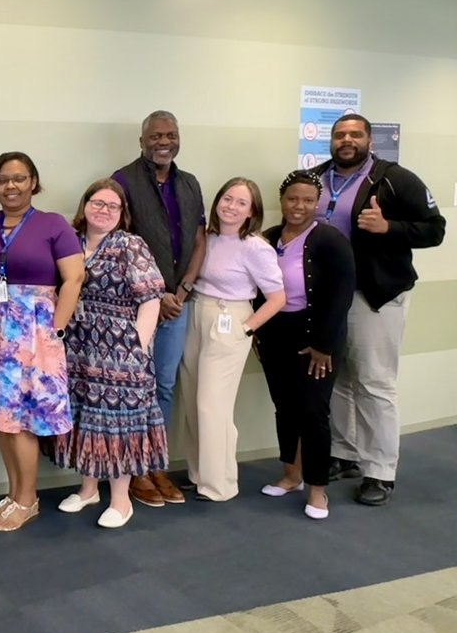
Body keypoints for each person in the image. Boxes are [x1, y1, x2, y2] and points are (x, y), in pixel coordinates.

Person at [311, 114, 446, 505]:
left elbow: (435, 229)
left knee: (374, 383)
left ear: (370, 140)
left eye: (355, 134)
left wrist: (390, 228)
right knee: (335, 378)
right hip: (328, 296)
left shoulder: (396, 178)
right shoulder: (318, 178)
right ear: (331, 141)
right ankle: (344, 453)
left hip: (375, 295)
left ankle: (379, 470)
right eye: (340, 135)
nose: (346, 140)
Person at [0, 152, 83, 531]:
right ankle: (14, 494)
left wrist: (56, 330)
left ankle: (28, 499)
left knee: (24, 419)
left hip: (33, 334)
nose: (10, 186)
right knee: (3, 415)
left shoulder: (53, 224)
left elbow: (74, 279)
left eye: (19, 178)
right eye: (3, 179)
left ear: (33, 182)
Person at [55, 180, 167, 529]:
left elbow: (151, 298)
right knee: (86, 416)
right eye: (97, 202)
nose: (103, 210)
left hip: (120, 349)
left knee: (117, 423)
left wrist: (138, 344)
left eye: (112, 206)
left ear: (122, 214)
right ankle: (89, 489)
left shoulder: (129, 245)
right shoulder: (70, 242)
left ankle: (121, 501)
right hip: (78, 345)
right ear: (84, 204)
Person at [112, 111, 206, 509]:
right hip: (137, 308)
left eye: (170, 134)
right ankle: (132, 471)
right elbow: (113, 242)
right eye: (155, 135)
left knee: (162, 388)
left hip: (178, 305)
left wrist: (181, 291)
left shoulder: (189, 183)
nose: (163, 141)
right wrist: (155, 294)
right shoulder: (121, 181)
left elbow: (201, 239)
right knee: (133, 389)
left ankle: (155, 466)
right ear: (142, 140)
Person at [255, 171, 355, 520]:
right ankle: (291, 475)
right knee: (285, 407)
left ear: (318, 203)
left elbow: (341, 297)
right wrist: (256, 334)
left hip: (316, 338)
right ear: (281, 201)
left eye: (308, 200)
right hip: (275, 334)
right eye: (292, 199)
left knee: (313, 412)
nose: (299, 206)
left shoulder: (330, 240)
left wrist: (323, 346)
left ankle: (317, 490)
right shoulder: (267, 238)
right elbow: (257, 292)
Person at [179, 178, 286, 502]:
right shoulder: (206, 238)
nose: (231, 206)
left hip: (230, 322)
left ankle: (219, 484)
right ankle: (200, 475)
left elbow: (278, 297)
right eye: (227, 198)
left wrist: (247, 328)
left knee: (213, 406)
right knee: (192, 401)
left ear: (251, 211)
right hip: (196, 313)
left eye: (241, 202)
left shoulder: (255, 246)